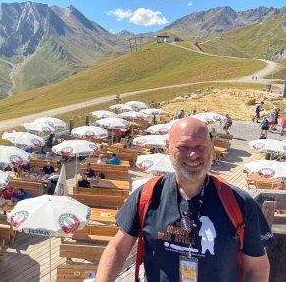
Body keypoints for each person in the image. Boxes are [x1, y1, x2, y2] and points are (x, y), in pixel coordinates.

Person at [96, 117, 274, 282]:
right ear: (168, 147)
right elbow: (118, 250)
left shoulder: (240, 203)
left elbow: (257, 268)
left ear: (211, 147)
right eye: (184, 147)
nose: (193, 155)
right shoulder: (147, 195)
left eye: (200, 147)